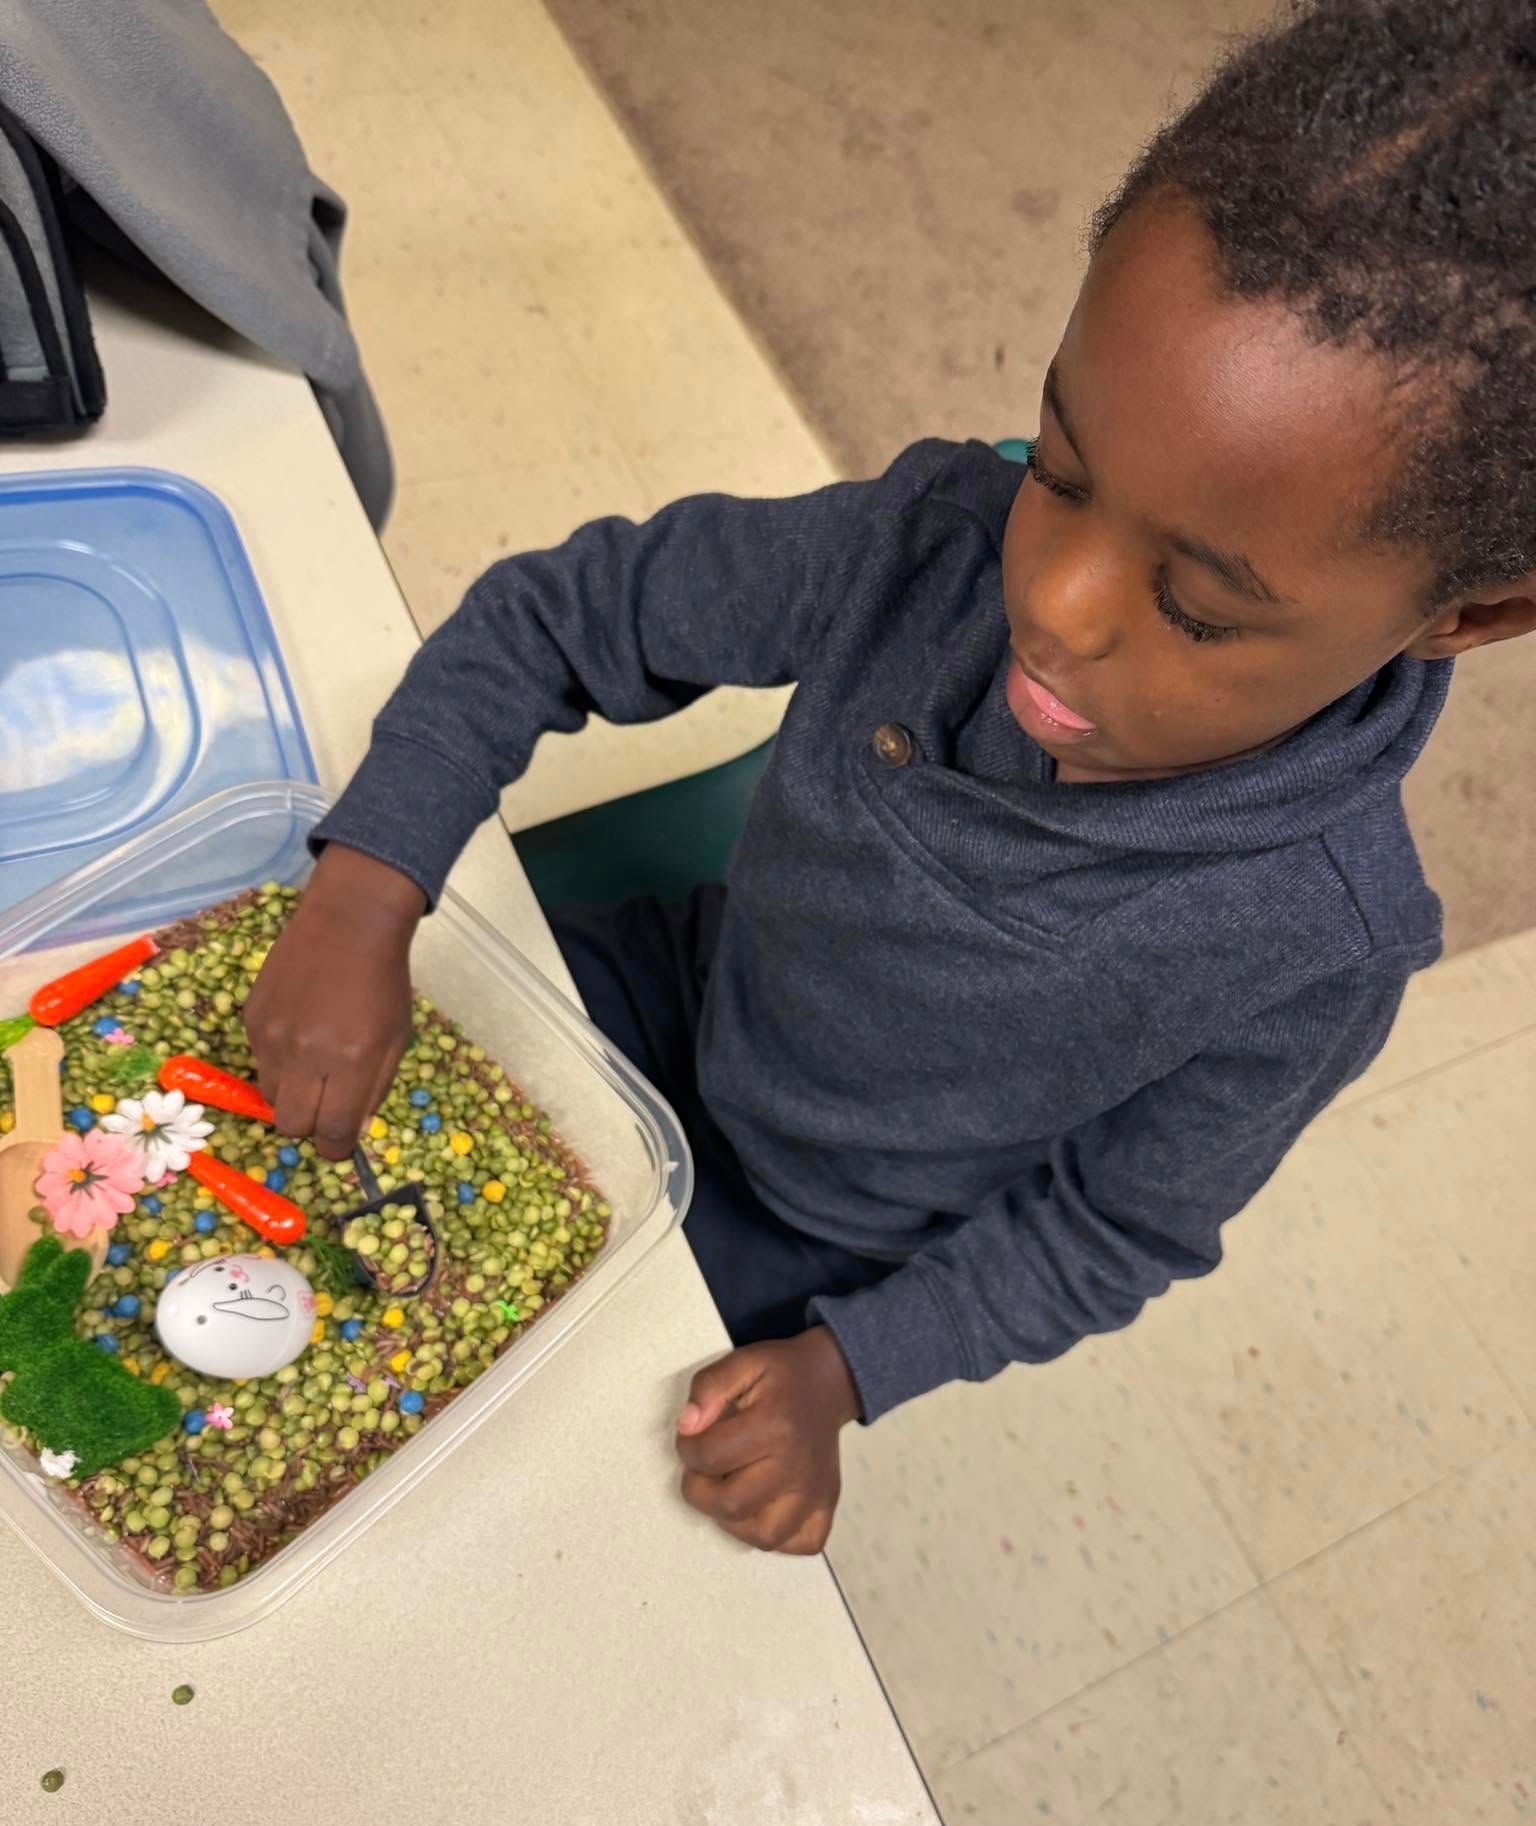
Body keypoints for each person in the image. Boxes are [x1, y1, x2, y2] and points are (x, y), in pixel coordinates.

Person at [246, 0, 1536, 1557]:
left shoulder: (1319, 944)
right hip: (671, 990)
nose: (1050, 605)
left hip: (814, 1245)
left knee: (472, 1503)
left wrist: (846, 1372)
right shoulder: (924, 541)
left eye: (1196, 607)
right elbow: (559, 619)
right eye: (1057, 472)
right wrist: (370, 880)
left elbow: (1113, 1227)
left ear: (1467, 618)